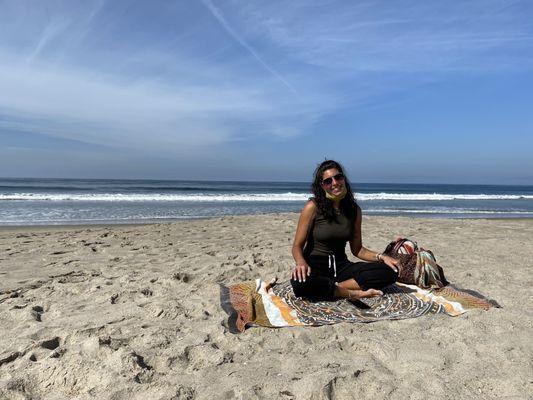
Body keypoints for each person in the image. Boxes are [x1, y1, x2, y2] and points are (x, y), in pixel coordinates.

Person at [291, 160, 399, 301]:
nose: (334, 183)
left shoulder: (354, 210)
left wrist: (382, 257)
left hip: (341, 266)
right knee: (300, 284)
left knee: (390, 271)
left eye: (338, 177)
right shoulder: (313, 207)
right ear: (322, 186)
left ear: (344, 179)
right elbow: (297, 246)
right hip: (315, 265)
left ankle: (336, 289)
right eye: (328, 181)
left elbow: (358, 249)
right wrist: (301, 262)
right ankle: (353, 293)